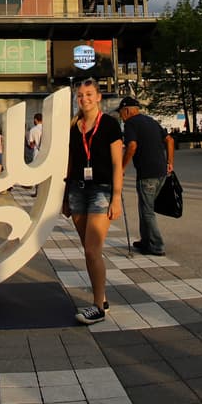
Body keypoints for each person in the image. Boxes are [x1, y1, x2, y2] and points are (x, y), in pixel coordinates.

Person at [63, 78, 124, 324]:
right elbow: (70, 162)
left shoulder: (109, 124)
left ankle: (97, 306)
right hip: (77, 190)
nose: (84, 99)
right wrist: (65, 195)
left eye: (89, 94)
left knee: (92, 249)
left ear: (99, 97)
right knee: (89, 252)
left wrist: (117, 198)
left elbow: (117, 163)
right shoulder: (74, 126)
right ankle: (103, 298)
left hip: (101, 190)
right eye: (80, 95)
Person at [117, 96, 173, 257]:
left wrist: (122, 166)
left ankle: (156, 245)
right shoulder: (151, 121)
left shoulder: (130, 124)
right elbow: (169, 140)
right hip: (161, 171)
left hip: (147, 173)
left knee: (147, 210)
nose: (121, 116)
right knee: (145, 207)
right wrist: (170, 162)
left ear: (126, 110)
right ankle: (145, 240)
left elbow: (132, 145)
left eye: (121, 113)